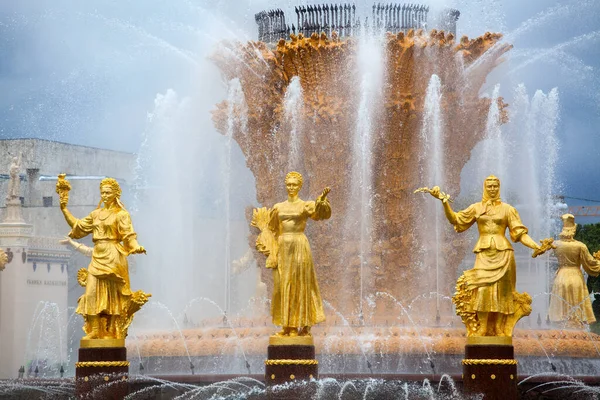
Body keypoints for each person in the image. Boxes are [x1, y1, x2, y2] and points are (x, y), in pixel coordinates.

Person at [426, 175, 551, 336]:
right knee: (483, 290)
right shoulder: (476, 208)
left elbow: (519, 233)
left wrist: (536, 246)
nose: (492, 189)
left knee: (503, 292)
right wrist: (444, 202)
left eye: (495, 186)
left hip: (504, 254)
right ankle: (483, 326)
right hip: (484, 253)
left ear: (499, 188)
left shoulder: (508, 209)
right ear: (485, 188)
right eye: (489, 186)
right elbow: (456, 220)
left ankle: (499, 328)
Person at [59, 177, 147, 340]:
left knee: (113, 295)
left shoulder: (122, 214)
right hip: (98, 255)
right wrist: (64, 209)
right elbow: (78, 227)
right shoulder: (96, 214)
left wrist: (135, 246)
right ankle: (95, 329)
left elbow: (128, 236)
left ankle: (111, 330)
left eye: (108, 192)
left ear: (116, 194)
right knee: (91, 292)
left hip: (114, 256)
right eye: (102, 193)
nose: (104, 195)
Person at [254, 171, 331, 337]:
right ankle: (286, 325)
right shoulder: (278, 207)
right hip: (283, 248)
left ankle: (301, 324)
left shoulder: (305, 205)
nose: (291, 187)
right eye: (288, 184)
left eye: (294, 184)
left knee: (300, 283)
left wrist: (322, 202)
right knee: (282, 285)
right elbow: (272, 229)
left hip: (299, 245)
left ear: (300, 186)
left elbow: (320, 215)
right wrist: (268, 248)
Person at [549, 214, 600, 328]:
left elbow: (541, 255)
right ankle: (577, 328)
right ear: (574, 230)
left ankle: (561, 328)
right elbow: (591, 264)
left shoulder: (555, 245)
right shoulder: (580, 246)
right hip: (576, 277)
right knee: (577, 308)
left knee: (561, 310)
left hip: (561, 277)